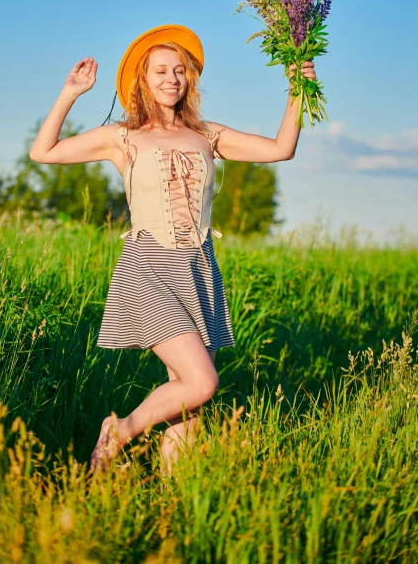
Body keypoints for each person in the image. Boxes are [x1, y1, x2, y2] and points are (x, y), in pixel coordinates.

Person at [28, 24, 316, 475]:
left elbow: (282, 149)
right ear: (142, 78)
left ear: (190, 79)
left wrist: (300, 87)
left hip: (200, 268)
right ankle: (120, 431)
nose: (171, 78)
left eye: (179, 70)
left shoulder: (208, 135)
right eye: (160, 70)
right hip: (148, 265)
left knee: (189, 398)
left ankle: (173, 503)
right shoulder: (122, 137)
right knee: (201, 382)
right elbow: (43, 153)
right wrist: (71, 93)